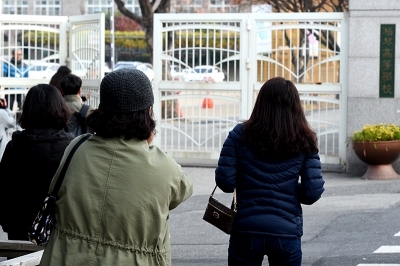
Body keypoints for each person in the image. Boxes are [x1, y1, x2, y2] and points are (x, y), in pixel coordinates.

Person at [39, 68, 193, 265]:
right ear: (148, 112)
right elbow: (183, 189)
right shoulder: (163, 167)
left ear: (102, 110)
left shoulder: (76, 149)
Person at [215, 77, 325, 266]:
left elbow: (225, 182)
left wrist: (249, 185)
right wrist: (287, 191)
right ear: (295, 106)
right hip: (286, 232)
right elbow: (312, 192)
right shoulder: (305, 139)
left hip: (246, 231)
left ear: (261, 103)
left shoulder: (239, 134)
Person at [0, 84, 73, 241]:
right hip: (63, 229)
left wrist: (8, 223)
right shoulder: (73, 147)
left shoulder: (15, 147)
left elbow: (4, 189)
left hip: (21, 228)